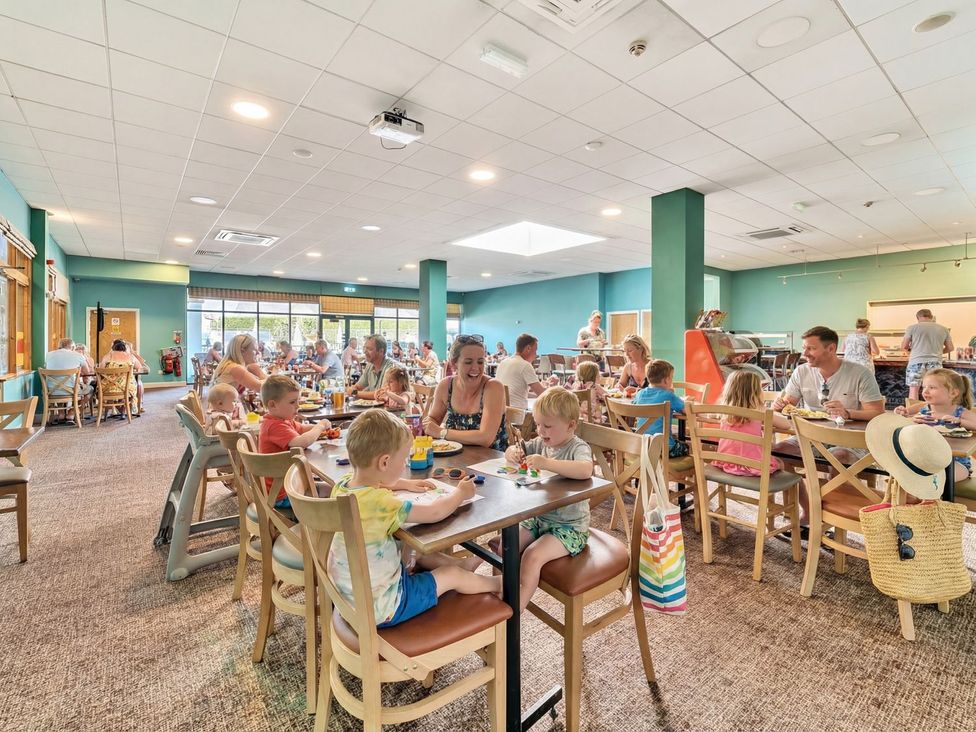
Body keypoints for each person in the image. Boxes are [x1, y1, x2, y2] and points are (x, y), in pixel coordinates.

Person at [329, 409, 500, 627]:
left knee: (413, 550)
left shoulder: (343, 486)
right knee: (450, 575)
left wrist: (405, 484)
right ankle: (498, 584)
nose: (404, 465)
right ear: (384, 462)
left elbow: (377, 484)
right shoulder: (382, 504)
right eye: (403, 459)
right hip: (385, 606)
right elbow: (435, 513)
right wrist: (460, 493)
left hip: (350, 595)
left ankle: (462, 565)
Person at [772, 326, 885, 528]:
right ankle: (811, 511)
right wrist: (780, 405)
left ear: (831, 348)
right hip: (811, 437)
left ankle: (832, 518)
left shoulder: (860, 373)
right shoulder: (802, 372)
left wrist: (848, 412)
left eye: (811, 348)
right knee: (779, 452)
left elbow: (877, 412)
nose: (804, 353)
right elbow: (788, 403)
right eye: (804, 348)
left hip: (850, 439)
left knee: (837, 456)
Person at [502, 387, 593, 610]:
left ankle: (514, 612)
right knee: (506, 544)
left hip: (569, 528)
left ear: (571, 425)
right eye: (538, 424)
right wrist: (511, 452)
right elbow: (518, 449)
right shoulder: (542, 443)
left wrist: (547, 463)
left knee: (532, 556)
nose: (541, 431)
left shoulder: (577, 447)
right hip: (539, 519)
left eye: (548, 426)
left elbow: (585, 469)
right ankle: (500, 595)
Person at [423, 334, 507, 450]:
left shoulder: (493, 387)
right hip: (454, 456)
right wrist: (428, 425)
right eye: (468, 362)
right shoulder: (446, 386)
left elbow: (485, 438)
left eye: (480, 362)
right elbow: (433, 420)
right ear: (454, 364)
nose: (475, 368)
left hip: (492, 459)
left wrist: (442, 432)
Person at [258, 375, 331, 508]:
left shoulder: (283, 420)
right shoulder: (274, 426)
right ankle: (321, 520)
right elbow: (302, 442)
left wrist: (320, 428)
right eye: (292, 402)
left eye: (298, 401)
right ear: (272, 405)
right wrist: (320, 426)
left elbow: (302, 428)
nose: (298, 406)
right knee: (335, 496)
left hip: (289, 484)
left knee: (332, 489)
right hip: (282, 494)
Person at [894, 368, 974, 481]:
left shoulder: (960, 412)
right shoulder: (923, 408)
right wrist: (905, 415)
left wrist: (958, 421)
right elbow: (904, 416)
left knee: (940, 477)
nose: (925, 391)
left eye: (932, 388)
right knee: (906, 470)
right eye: (924, 387)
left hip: (955, 463)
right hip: (927, 460)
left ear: (953, 393)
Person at [712, 371, 791, 477]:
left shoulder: (723, 410)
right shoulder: (760, 410)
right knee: (781, 462)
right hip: (753, 466)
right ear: (755, 392)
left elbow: (709, 415)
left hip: (725, 462)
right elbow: (786, 425)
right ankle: (776, 487)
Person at [632, 360, 689, 458]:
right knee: (685, 447)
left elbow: (633, 405)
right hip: (663, 448)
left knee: (674, 439)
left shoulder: (640, 394)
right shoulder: (669, 396)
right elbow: (687, 411)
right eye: (671, 377)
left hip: (643, 446)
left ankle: (655, 466)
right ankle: (666, 467)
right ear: (666, 380)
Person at [902, 308, 953, 401]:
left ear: (917, 318)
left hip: (916, 362)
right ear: (931, 317)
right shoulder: (943, 329)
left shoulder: (912, 328)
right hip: (935, 363)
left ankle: (913, 410)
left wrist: (910, 352)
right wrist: (937, 352)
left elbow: (904, 346)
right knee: (934, 390)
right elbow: (950, 348)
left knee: (913, 390)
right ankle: (934, 410)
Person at [496, 333, 552, 411]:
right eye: (535, 351)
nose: (536, 355)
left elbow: (516, 393)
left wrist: (537, 392)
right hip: (517, 413)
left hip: (500, 411)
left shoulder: (503, 363)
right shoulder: (525, 365)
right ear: (528, 348)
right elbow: (542, 394)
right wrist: (554, 387)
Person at [348, 334, 395, 400]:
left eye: (369, 349)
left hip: (388, 407)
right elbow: (358, 386)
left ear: (381, 351)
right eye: (365, 348)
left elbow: (382, 394)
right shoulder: (370, 365)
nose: (365, 352)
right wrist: (352, 389)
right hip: (374, 406)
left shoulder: (391, 368)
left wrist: (355, 393)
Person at [101, 339, 142, 414]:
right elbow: (139, 367)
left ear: (113, 348)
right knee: (136, 384)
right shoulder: (131, 356)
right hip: (127, 388)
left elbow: (101, 370)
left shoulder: (108, 356)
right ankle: (125, 409)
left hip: (108, 388)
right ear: (125, 348)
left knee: (98, 386)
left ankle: (117, 409)